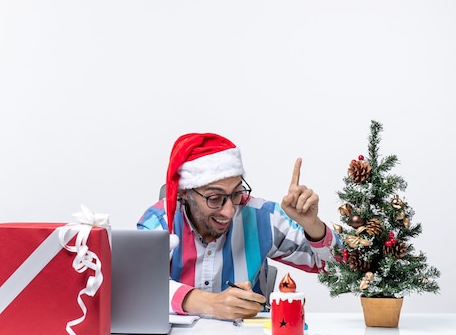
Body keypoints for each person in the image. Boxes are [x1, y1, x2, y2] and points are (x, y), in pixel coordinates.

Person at [137, 133, 339, 321]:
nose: (229, 211)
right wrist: (211, 303)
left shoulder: (262, 217)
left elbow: (338, 268)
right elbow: (137, 287)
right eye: (214, 198)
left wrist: (312, 225)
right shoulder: (160, 221)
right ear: (184, 193)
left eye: (236, 194)